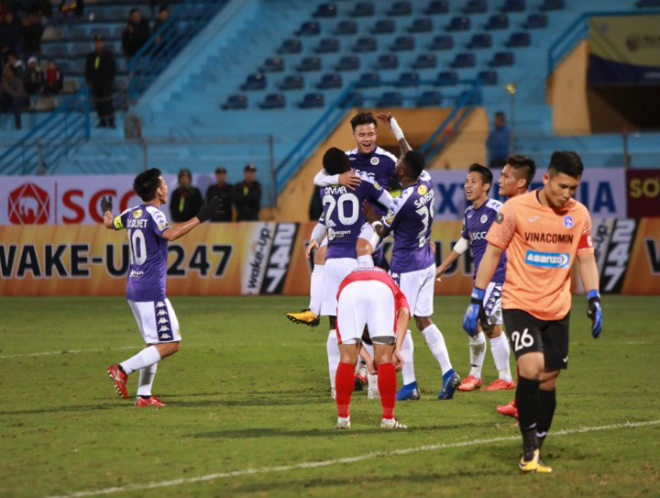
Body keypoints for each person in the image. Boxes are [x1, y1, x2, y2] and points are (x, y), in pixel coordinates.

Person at [462, 150, 603, 472]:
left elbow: (585, 257)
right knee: (531, 367)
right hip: (519, 303)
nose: (567, 194)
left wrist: (593, 296)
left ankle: (538, 441)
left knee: (549, 380)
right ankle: (528, 450)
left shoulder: (578, 214)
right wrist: (476, 298)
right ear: (547, 179)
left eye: (573, 188)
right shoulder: (515, 209)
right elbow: (492, 254)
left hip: (558, 307)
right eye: (563, 186)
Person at [101, 168, 220, 406]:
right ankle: (122, 369)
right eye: (164, 184)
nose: (167, 187)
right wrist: (200, 217)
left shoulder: (131, 212)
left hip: (134, 288)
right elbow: (171, 234)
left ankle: (144, 396)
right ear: (157, 191)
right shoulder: (154, 214)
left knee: (154, 344)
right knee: (171, 343)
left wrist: (105, 208)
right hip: (151, 290)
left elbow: (108, 223)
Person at [286, 112, 399, 328]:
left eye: (371, 134)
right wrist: (339, 178)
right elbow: (317, 179)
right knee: (323, 254)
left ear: (376, 134)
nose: (367, 138)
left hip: (373, 224)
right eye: (362, 134)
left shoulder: (387, 160)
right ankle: (317, 311)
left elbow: (406, 184)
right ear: (354, 136)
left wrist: (392, 221)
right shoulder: (346, 160)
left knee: (362, 250)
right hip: (349, 224)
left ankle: (374, 306)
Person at [366, 150, 461, 401]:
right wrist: (395, 126)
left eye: (398, 162)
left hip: (406, 266)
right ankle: (448, 371)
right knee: (423, 319)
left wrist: (372, 219)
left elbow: (382, 231)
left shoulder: (401, 201)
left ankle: (409, 384)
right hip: (427, 263)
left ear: (403, 172)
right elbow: (409, 152)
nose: (396, 162)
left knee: (401, 321)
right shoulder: (426, 183)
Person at [306, 147, 393, 398]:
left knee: (336, 328)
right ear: (347, 164)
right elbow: (392, 204)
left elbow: (320, 180)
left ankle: (336, 389)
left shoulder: (324, 188)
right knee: (365, 325)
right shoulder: (363, 183)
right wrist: (378, 224)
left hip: (332, 262)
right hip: (354, 261)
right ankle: (374, 387)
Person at [436, 164, 514, 392]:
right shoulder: (469, 213)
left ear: (486, 186)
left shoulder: (496, 210)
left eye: (473, 181)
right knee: (476, 325)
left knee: (487, 323)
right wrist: (442, 267)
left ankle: (503, 376)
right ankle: (477, 375)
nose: (467, 186)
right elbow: (464, 242)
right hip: (481, 280)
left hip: (498, 276)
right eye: (466, 181)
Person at [334, 266, 410, 430]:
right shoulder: (391, 283)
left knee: (347, 358)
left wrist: (368, 358)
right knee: (384, 359)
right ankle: (388, 420)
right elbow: (404, 312)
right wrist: (396, 349)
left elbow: (352, 338)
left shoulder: (348, 279)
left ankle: (342, 420)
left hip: (349, 290)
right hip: (380, 289)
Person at [494, 155, 537, 419]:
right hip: (520, 287)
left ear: (521, 182)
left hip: (529, 290)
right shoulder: (514, 207)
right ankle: (522, 402)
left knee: (528, 350)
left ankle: (527, 404)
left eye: (506, 176)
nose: (501, 179)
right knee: (525, 348)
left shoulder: (522, 209)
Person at [85, 35, 116, 128]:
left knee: (108, 102)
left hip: (106, 82)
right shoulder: (91, 56)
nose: (99, 44)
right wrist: (89, 80)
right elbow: (89, 69)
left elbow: (113, 68)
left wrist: (110, 79)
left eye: (100, 42)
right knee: (99, 103)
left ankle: (111, 121)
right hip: (96, 83)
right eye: (97, 42)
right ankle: (102, 120)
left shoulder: (108, 55)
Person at [0, 65, 27, 129]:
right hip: (9, 100)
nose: (5, 73)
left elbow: (17, 95)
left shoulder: (18, 81)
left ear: (12, 73)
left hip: (22, 100)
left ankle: (18, 126)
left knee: (16, 102)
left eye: (7, 71)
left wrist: (6, 88)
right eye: (5, 72)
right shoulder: (4, 81)